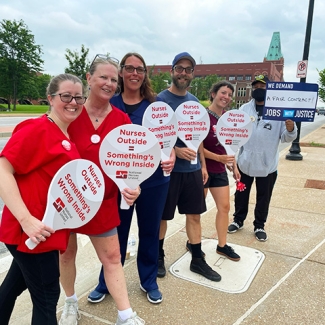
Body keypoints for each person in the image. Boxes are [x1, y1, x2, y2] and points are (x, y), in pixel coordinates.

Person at [58, 56, 145, 325]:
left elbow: (132, 165)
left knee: (112, 256)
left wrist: (134, 187)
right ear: (89, 79)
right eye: (102, 77)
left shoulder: (122, 121)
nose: (108, 83)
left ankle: (125, 315)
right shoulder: (69, 113)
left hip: (104, 201)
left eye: (112, 79)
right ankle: (70, 303)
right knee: (67, 253)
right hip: (68, 197)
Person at [87, 52, 175, 305]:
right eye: (129, 68)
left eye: (140, 69)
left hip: (154, 181)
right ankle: (106, 282)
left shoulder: (157, 106)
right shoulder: (109, 102)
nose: (135, 73)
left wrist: (171, 157)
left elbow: (171, 142)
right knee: (116, 233)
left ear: (145, 74)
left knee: (149, 231)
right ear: (122, 72)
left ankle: (148, 281)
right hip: (119, 182)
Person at [0, 73, 85, 324]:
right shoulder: (37, 129)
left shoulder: (66, 135)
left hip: (44, 233)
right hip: (30, 232)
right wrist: (26, 220)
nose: (73, 102)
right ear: (50, 98)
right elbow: (3, 169)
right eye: (66, 96)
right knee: (47, 297)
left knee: (14, 286)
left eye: (79, 97)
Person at [157, 52, 221, 282]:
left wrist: (203, 165)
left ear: (193, 74)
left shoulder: (194, 102)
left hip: (192, 171)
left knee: (194, 216)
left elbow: (200, 136)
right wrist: (175, 149)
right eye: (179, 68)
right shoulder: (160, 101)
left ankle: (197, 260)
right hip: (168, 171)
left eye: (188, 69)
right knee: (162, 217)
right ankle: (158, 256)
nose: (183, 73)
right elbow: (153, 135)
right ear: (172, 71)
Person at [228, 74, 297, 241]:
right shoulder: (244, 109)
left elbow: (286, 138)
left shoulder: (279, 111)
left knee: (263, 197)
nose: (259, 89)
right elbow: (236, 133)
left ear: (270, 89)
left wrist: (290, 128)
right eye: (256, 86)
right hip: (245, 163)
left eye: (263, 86)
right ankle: (238, 220)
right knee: (241, 193)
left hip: (267, 166)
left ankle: (259, 225)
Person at [202, 81, 241, 261]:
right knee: (196, 210)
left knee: (224, 207)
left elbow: (230, 146)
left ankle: (222, 245)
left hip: (219, 170)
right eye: (223, 93)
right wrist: (218, 158)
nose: (226, 97)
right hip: (201, 169)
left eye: (229, 95)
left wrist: (235, 166)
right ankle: (192, 242)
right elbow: (197, 147)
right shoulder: (202, 117)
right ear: (213, 94)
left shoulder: (229, 120)